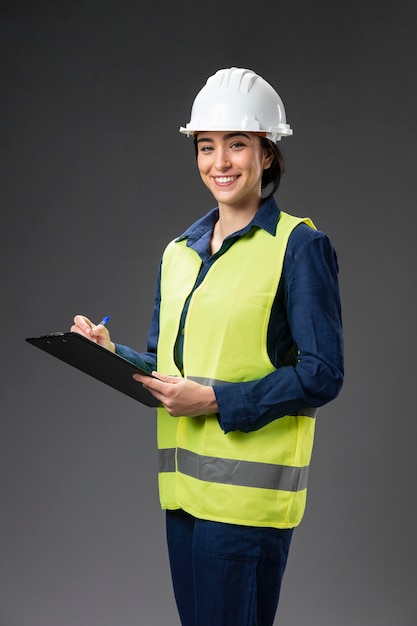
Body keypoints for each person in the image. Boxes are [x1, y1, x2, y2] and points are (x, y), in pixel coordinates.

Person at [72, 67, 344, 626]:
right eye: (206, 145)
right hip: (183, 501)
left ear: (267, 154)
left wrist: (218, 402)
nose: (219, 161)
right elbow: (173, 371)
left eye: (237, 144)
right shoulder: (178, 253)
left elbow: (322, 373)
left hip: (246, 508)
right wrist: (111, 353)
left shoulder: (298, 247)